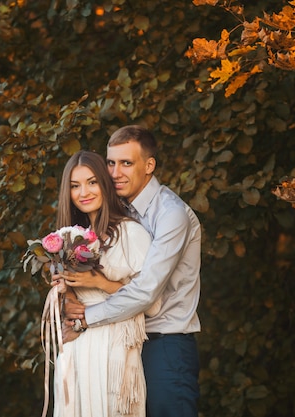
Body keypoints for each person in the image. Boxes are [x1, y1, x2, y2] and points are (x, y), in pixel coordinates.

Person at [63, 125, 202, 417]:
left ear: (149, 165)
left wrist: (85, 317)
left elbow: (146, 291)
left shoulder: (171, 214)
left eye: (127, 163)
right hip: (124, 338)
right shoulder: (118, 210)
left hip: (165, 340)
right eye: (111, 163)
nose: (115, 173)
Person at [51, 150, 158, 417]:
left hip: (112, 346)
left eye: (92, 182)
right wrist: (65, 297)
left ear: (105, 183)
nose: (83, 192)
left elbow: (153, 304)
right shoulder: (69, 238)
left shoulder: (130, 233)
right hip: (76, 346)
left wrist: (99, 282)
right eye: (75, 186)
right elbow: (68, 295)